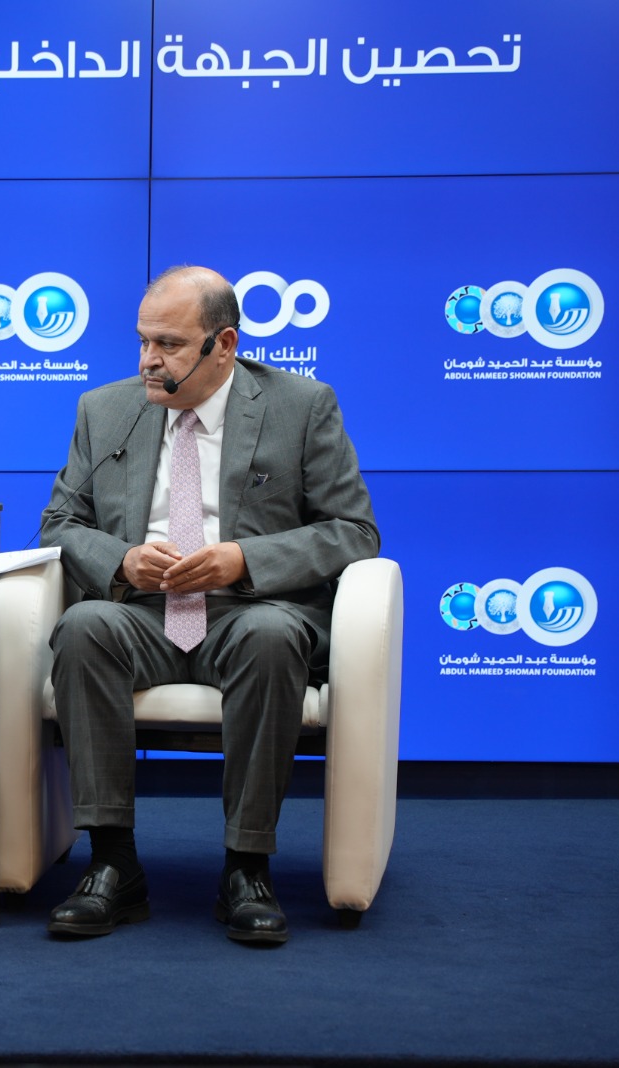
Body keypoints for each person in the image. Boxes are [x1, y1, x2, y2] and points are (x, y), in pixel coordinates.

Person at [40, 265, 379, 945]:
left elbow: (353, 531)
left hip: (250, 610)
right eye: (142, 341)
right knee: (83, 628)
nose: (148, 360)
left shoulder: (301, 405)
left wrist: (245, 558)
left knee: (270, 637)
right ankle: (112, 863)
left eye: (168, 344)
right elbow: (59, 526)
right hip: (142, 612)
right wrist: (123, 559)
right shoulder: (104, 409)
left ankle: (247, 867)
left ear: (223, 344)